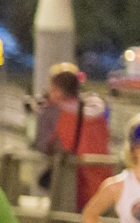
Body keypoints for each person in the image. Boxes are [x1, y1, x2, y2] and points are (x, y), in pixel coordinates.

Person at [36, 64, 111, 210]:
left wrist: (43, 111)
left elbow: (42, 145)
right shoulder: (98, 113)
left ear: (57, 90)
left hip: (73, 189)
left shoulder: (56, 113)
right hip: (102, 187)